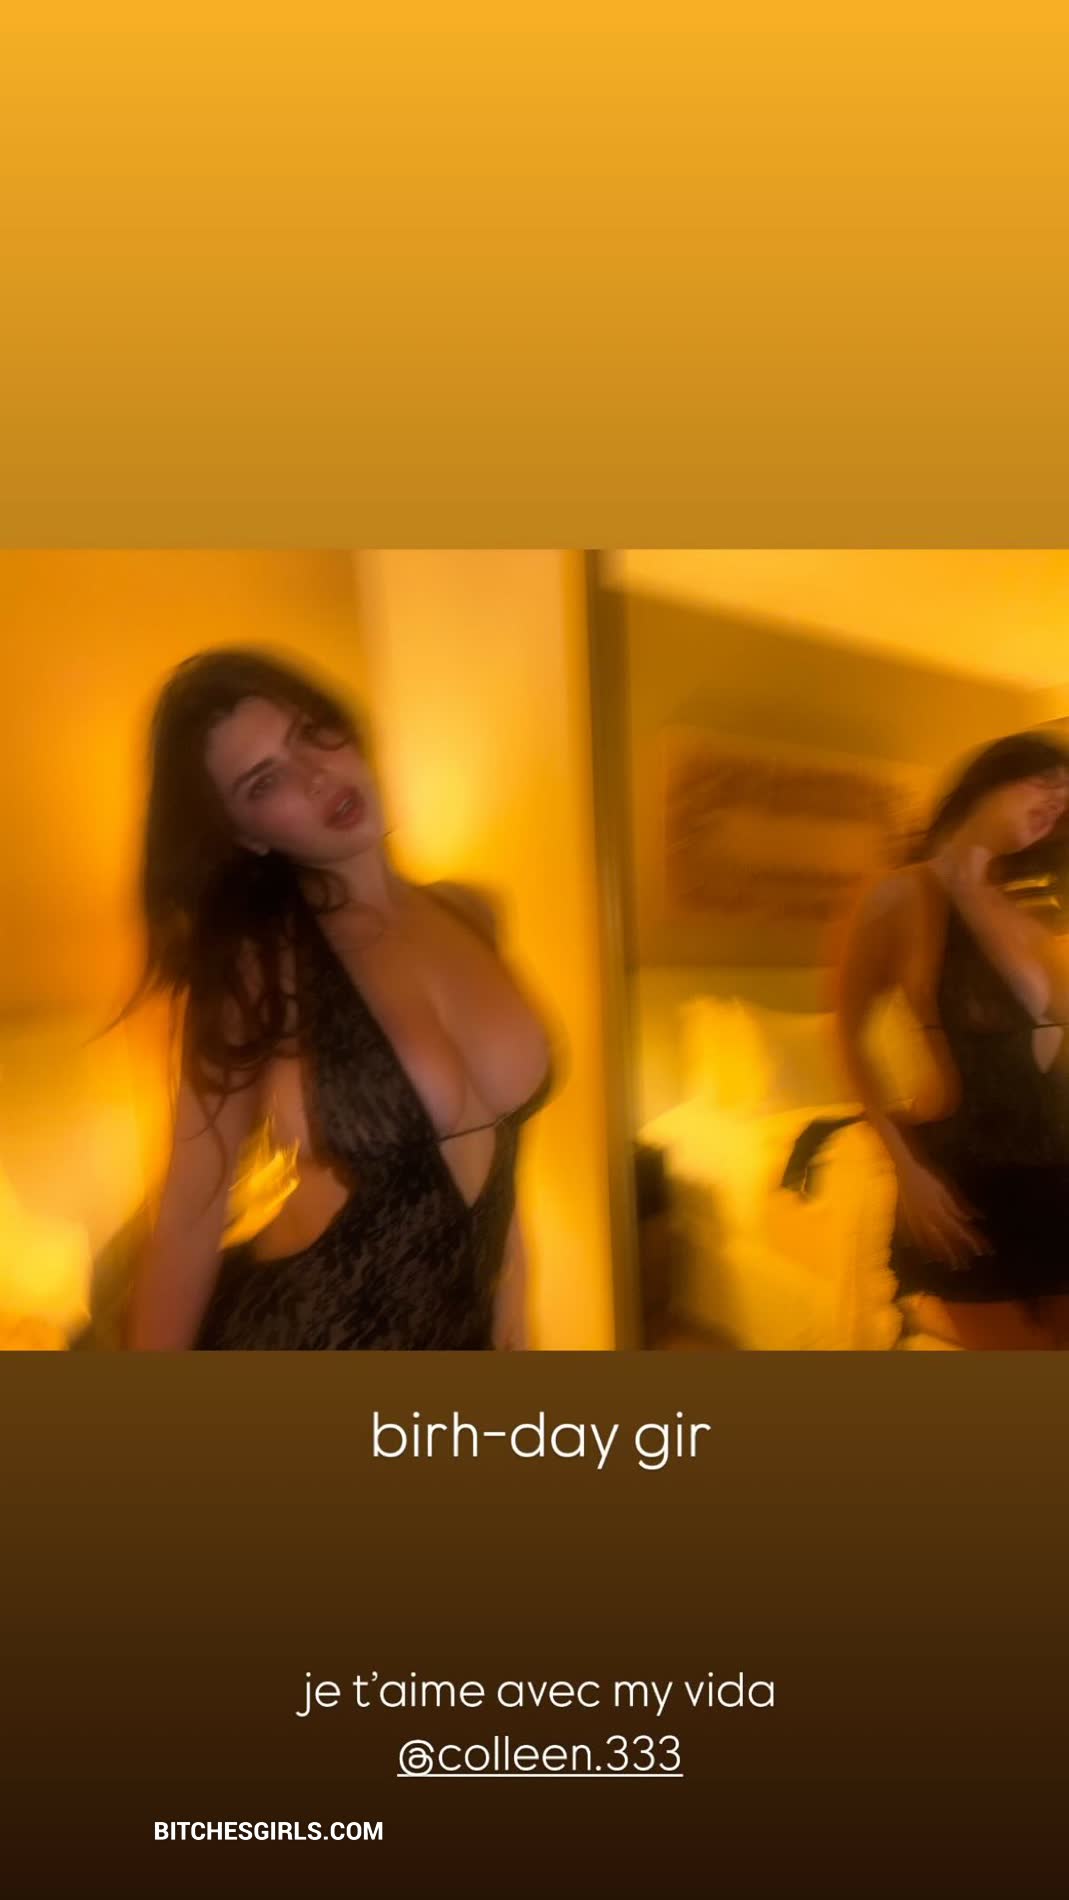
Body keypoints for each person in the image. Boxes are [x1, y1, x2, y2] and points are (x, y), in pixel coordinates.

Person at [122, 647, 556, 1351]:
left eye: (309, 731)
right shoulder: (258, 969)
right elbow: (189, 1220)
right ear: (247, 835)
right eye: (266, 781)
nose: (317, 775)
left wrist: (516, 1316)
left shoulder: (473, 914)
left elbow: (503, 1168)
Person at [835, 730, 1069, 1350]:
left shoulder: (1029, 919)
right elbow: (850, 1037)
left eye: (1066, 800)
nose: (1058, 803)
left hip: (1056, 1176)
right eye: (1046, 782)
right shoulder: (902, 894)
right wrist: (907, 1169)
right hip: (969, 1181)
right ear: (989, 780)